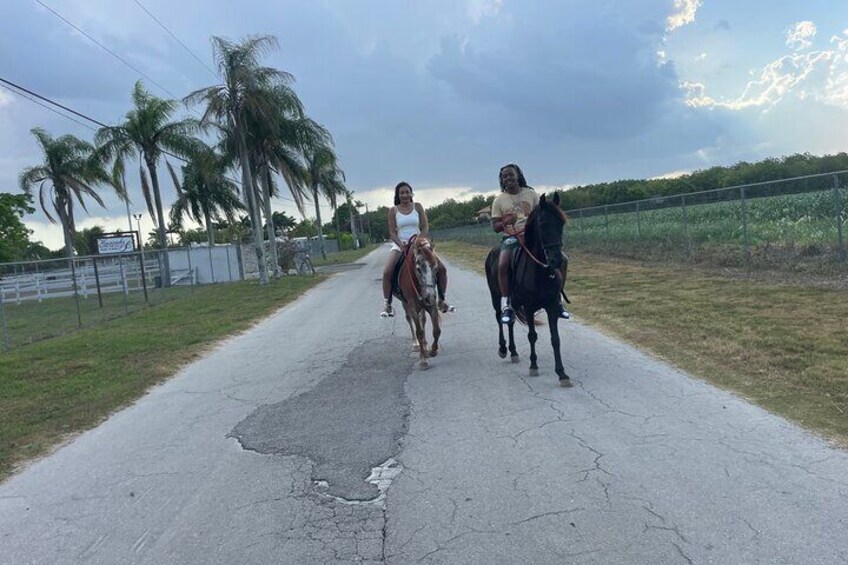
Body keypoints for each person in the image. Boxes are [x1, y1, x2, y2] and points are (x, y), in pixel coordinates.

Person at [491, 163, 569, 324]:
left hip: (532, 236)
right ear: (502, 180)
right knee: (502, 264)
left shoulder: (531, 194)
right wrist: (505, 221)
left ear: (518, 175)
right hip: (511, 237)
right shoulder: (499, 200)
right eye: (504, 176)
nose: (508, 178)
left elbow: (541, 215)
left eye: (511, 174)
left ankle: (557, 298)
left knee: (563, 259)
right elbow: (495, 227)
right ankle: (507, 304)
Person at [381, 182, 452, 317]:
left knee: (441, 269)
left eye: (407, 192)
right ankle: (387, 304)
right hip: (400, 244)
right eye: (402, 192)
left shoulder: (418, 206)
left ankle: (442, 300)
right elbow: (392, 233)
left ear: (411, 193)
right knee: (387, 271)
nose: (405, 195)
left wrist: (418, 241)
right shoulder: (393, 210)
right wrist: (401, 245)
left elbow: (425, 227)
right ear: (398, 195)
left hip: (419, 243)